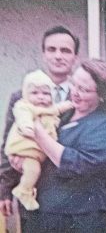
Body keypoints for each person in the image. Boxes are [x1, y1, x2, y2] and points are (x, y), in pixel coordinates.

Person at [11, 59, 106, 233]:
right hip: (43, 214)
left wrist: (39, 133)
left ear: (102, 95)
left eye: (84, 89)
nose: (75, 93)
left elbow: (82, 164)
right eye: (74, 84)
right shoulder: (60, 117)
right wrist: (22, 160)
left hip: (81, 219)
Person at [0, 26, 79, 224]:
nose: (58, 56)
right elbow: (7, 143)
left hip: (72, 191)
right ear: (43, 54)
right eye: (52, 50)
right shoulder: (21, 98)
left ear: (75, 57)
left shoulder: (81, 96)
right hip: (36, 190)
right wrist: (4, 191)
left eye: (66, 51)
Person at [4, 69, 73, 211]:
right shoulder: (24, 105)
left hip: (42, 158)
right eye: (34, 93)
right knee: (33, 170)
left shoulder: (49, 108)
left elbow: (57, 109)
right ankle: (24, 191)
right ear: (25, 94)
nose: (41, 97)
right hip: (24, 149)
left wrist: (69, 104)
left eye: (46, 94)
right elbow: (23, 117)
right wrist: (27, 126)